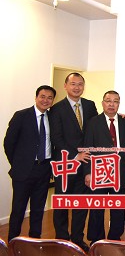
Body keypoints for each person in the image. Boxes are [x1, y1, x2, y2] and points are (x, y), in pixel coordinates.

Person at [49, 72, 99, 252]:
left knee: (81, 205)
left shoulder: (90, 105)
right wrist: (74, 155)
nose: (76, 87)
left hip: (85, 165)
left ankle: (78, 239)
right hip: (65, 164)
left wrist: (116, 117)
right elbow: (56, 137)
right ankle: (62, 239)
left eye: (80, 84)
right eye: (73, 84)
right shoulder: (56, 108)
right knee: (62, 205)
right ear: (65, 86)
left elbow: (97, 127)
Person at [4, 85, 56, 241]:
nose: (45, 100)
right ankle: (13, 241)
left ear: (53, 101)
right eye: (42, 96)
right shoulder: (21, 116)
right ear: (36, 97)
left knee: (38, 209)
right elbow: (9, 143)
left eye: (49, 98)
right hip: (24, 170)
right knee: (18, 209)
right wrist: (18, 164)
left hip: (44, 169)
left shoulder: (52, 118)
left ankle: (35, 239)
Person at [82, 90, 125, 243]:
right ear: (102, 103)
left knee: (118, 207)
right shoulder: (93, 122)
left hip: (120, 171)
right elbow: (87, 148)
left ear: (119, 104)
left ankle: (114, 238)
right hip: (99, 171)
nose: (111, 104)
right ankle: (96, 239)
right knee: (97, 208)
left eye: (115, 101)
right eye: (108, 101)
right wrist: (88, 172)